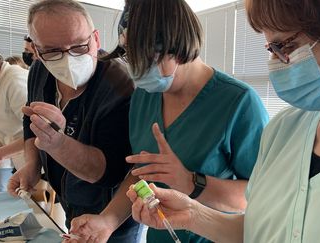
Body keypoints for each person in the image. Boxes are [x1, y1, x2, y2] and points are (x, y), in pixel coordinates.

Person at [126, 0, 320, 242]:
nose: (274, 65)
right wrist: (193, 214)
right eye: (270, 48)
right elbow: (258, 230)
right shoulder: (285, 131)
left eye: (286, 47)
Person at [68, 0, 268, 242]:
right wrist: (108, 220)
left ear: (177, 44)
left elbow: (259, 195)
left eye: (145, 57)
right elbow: (143, 171)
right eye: (130, 57)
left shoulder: (238, 103)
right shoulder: (144, 96)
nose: (138, 69)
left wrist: (191, 182)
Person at [7, 0, 139, 242]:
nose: (67, 60)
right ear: (36, 50)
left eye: (79, 46)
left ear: (96, 39)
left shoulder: (119, 87)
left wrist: (57, 143)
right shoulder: (39, 71)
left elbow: (108, 171)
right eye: (52, 51)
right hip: (69, 201)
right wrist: (32, 165)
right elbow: (30, 123)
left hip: (111, 214)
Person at [0, 51, 28, 192]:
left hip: (41, 164)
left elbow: (38, 131)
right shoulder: (0, 82)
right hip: (22, 163)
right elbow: (4, 132)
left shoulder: (14, 80)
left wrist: (0, 154)